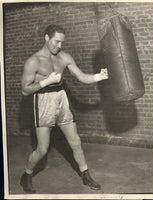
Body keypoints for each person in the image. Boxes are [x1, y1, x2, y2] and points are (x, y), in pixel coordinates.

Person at [20, 24, 108, 193]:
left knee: (75, 141)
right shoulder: (34, 61)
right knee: (42, 148)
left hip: (62, 98)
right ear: (47, 38)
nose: (59, 45)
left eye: (62, 42)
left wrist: (99, 76)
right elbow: (25, 90)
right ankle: (27, 174)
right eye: (56, 41)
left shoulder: (64, 57)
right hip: (44, 100)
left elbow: (82, 76)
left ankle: (85, 175)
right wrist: (46, 82)